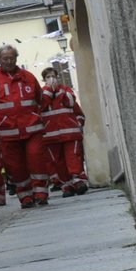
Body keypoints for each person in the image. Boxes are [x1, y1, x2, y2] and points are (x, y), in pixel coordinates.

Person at [0, 45, 52, 207]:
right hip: (7, 132)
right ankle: (25, 196)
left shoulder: (28, 77)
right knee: (15, 166)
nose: (9, 61)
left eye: (12, 58)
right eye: (5, 58)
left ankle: (41, 193)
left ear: (16, 59)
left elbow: (40, 99)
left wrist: (36, 116)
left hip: (32, 129)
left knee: (36, 159)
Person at [40, 66, 91, 194]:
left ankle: (78, 181)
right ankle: (66, 186)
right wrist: (48, 91)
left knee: (73, 157)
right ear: (44, 80)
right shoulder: (41, 93)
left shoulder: (66, 90)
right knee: (57, 161)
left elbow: (71, 103)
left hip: (70, 132)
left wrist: (78, 125)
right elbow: (41, 105)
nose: (51, 79)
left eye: (53, 76)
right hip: (50, 135)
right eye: (48, 77)